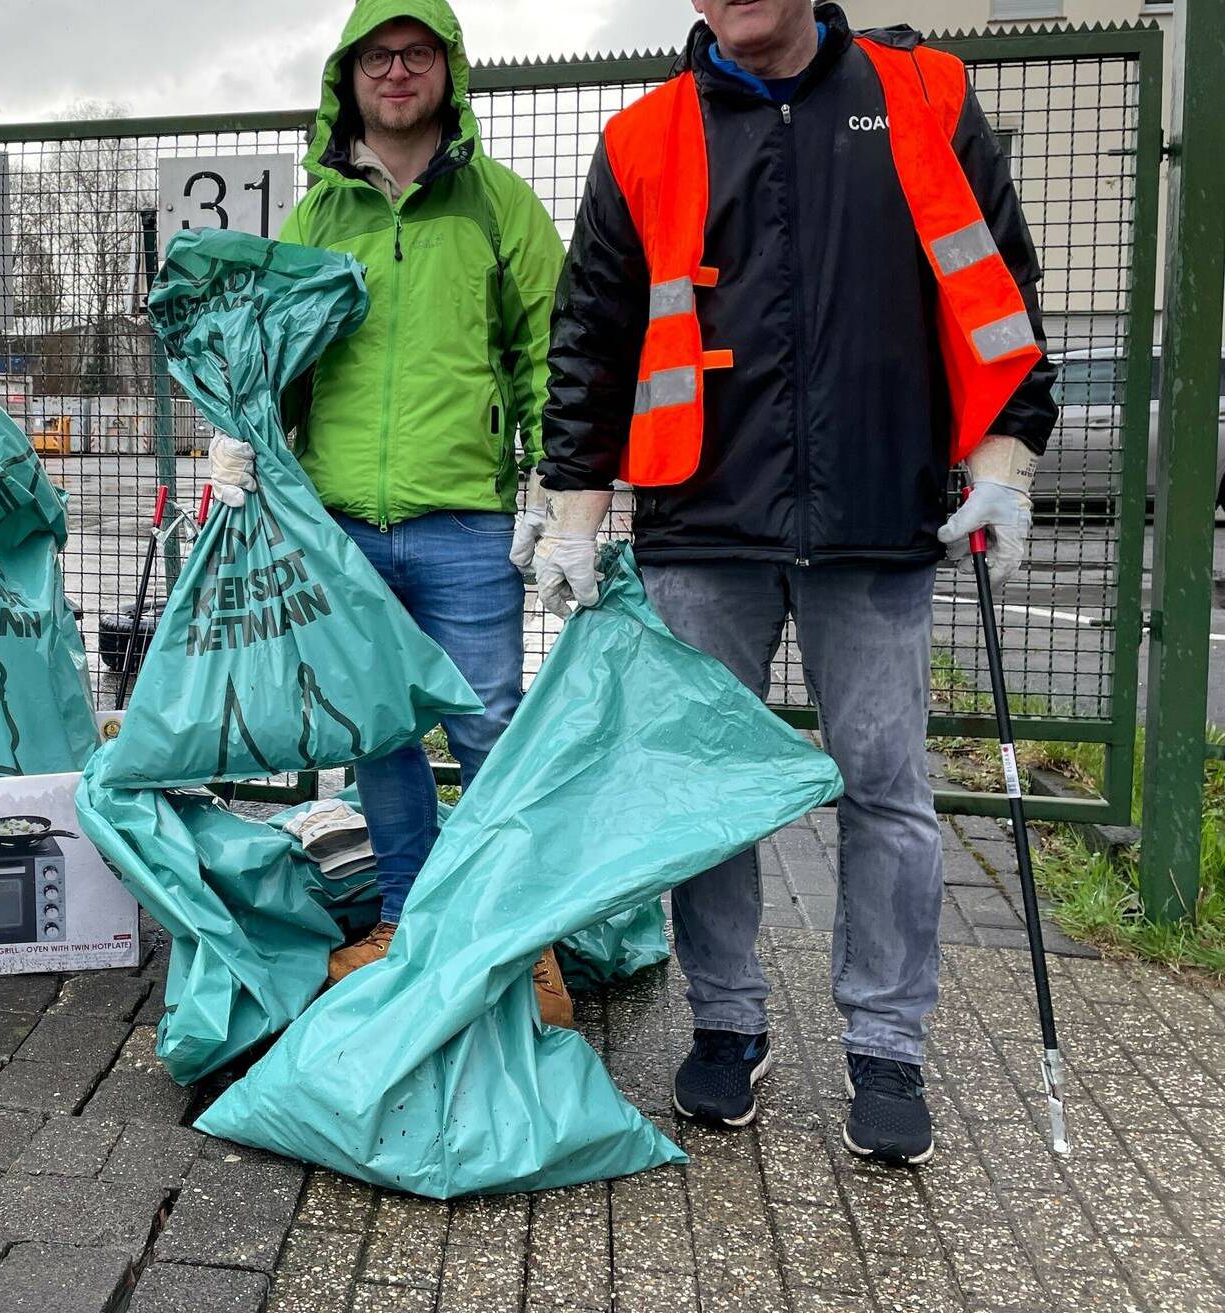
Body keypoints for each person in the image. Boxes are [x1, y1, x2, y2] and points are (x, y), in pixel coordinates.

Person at [537, 0, 1056, 1165]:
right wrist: (570, 508)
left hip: (876, 518)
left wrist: (1004, 462)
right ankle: (724, 1021)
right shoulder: (642, 139)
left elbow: (997, 288)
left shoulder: (923, 97)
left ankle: (885, 1041)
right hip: (699, 523)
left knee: (884, 788)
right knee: (704, 790)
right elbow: (590, 336)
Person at [209, 0, 574, 1026]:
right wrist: (239, 435)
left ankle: (516, 937)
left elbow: (547, 348)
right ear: (348, 75)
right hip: (339, 526)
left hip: (464, 520)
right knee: (379, 733)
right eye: (378, 54)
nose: (397, 71)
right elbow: (269, 350)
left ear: (446, 72)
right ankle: (408, 918)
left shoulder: (499, 207)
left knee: (490, 730)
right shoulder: (317, 218)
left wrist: (550, 480)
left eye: (416, 53)